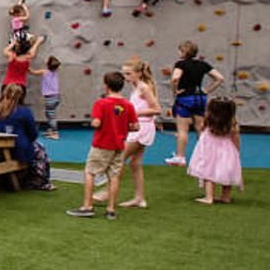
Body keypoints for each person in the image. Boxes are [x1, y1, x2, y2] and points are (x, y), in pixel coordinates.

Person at [66, 72, 139, 220]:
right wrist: (121, 127)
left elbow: (97, 123)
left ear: (106, 86)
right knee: (114, 176)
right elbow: (135, 126)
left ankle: (87, 206)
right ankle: (111, 209)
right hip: (119, 145)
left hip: (102, 144)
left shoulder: (101, 103)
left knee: (90, 172)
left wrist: (93, 122)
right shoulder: (128, 105)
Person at [94, 59, 161, 208]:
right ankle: (139, 198)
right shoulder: (136, 87)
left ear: (138, 73)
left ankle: (107, 192)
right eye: (124, 73)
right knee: (135, 164)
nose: (125, 76)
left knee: (119, 159)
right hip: (140, 127)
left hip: (142, 129)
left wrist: (134, 113)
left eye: (128, 73)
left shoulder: (144, 87)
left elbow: (156, 109)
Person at [166, 40, 224, 166]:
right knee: (201, 128)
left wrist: (175, 91)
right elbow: (220, 78)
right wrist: (207, 90)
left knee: (182, 130)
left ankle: (180, 157)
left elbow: (175, 78)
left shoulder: (180, 64)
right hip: (200, 98)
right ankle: (206, 157)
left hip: (185, 98)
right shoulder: (202, 64)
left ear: (183, 52)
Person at [0, 84, 54, 191]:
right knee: (40, 150)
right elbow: (33, 134)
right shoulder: (24, 112)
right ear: (21, 96)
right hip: (16, 150)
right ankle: (40, 181)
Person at [187, 96, 243, 204]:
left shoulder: (209, 121)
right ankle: (225, 196)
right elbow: (236, 138)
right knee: (227, 171)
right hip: (227, 150)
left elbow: (201, 129)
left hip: (209, 149)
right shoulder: (232, 124)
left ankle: (209, 197)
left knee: (208, 172)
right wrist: (237, 151)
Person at [2, 36, 45, 101]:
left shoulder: (12, 56)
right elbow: (32, 51)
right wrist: (38, 42)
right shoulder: (28, 58)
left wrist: (12, 44)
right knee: (18, 104)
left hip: (8, 84)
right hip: (21, 85)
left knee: (5, 103)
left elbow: (5, 51)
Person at [29, 56, 62, 139]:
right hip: (56, 97)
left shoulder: (45, 72)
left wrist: (26, 65)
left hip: (50, 98)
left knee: (51, 115)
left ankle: (55, 133)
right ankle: (51, 130)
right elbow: (56, 65)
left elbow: (32, 72)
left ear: (48, 64)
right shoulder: (55, 71)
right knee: (49, 113)